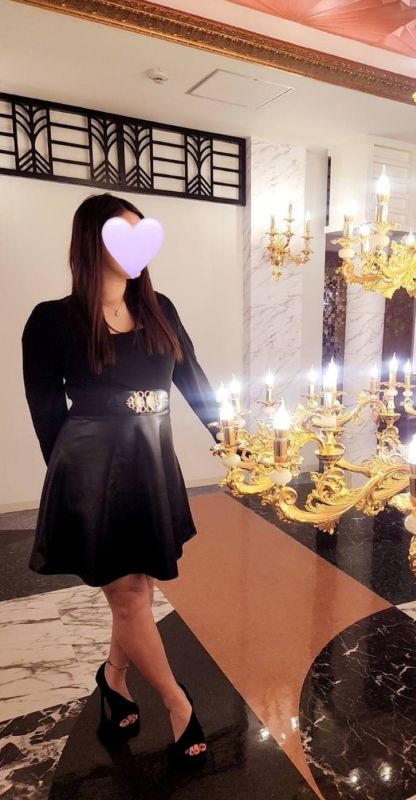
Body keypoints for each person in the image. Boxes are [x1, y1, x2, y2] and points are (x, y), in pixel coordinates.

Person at [21, 192, 220, 768]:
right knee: (129, 596)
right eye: (121, 234)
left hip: (151, 464)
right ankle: (179, 705)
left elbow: (195, 381)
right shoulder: (51, 320)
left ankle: (113, 680)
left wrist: (233, 439)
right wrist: (73, 492)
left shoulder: (161, 310)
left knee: (140, 590)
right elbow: (46, 416)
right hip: (92, 474)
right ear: (93, 242)